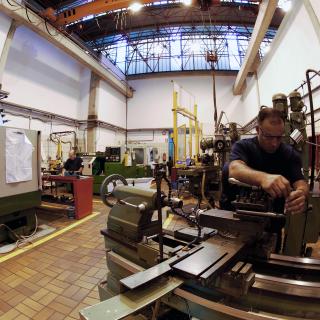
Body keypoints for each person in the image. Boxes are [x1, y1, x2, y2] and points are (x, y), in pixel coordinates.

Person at [221, 108, 308, 251]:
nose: (274, 143)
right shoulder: (243, 147)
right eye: (268, 136)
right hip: (236, 223)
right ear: (258, 130)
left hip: (272, 226)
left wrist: (301, 194)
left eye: (279, 137)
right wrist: (263, 178)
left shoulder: (289, 154)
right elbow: (234, 169)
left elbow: (301, 182)